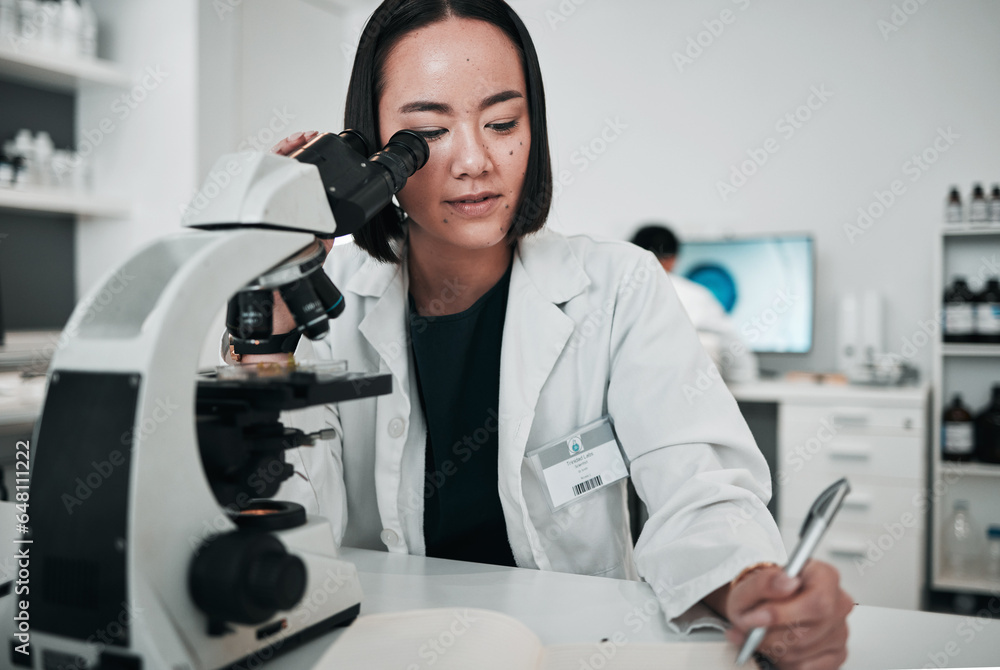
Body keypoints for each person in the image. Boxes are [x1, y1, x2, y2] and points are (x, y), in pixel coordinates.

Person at [240, 1, 852, 667]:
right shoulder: (331, 306)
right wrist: (264, 348)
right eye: (427, 135)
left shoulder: (619, 287)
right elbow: (286, 533)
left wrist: (751, 586)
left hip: (576, 649)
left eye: (503, 122)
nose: (476, 161)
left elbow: (698, 485)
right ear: (370, 151)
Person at [631, 224, 758, 383]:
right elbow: (736, 355)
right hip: (688, 396)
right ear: (673, 259)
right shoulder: (695, 296)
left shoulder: (615, 295)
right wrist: (742, 378)